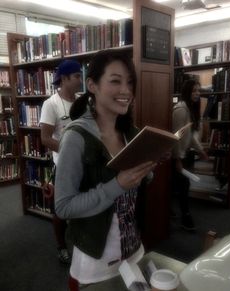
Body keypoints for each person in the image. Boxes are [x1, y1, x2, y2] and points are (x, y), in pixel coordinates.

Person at [54, 49, 157, 291]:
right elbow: (63, 206)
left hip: (134, 248)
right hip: (96, 259)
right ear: (92, 85)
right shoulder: (76, 137)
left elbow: (139, 185)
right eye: (115, 81)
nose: (126, 91)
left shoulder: (130, 132)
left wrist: (147, 170)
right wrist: (117, 185)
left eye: (129, 82)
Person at [40, 59, 82, 264]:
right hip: (63, 165)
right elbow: (45, 138)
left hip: (84, 164)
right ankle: (61, 246)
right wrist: (68, 152)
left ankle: (81, 243)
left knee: (83, 205)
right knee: (60, 210)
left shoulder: (82, 102)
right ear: (64, 79)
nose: (80, 80)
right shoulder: (51, 104)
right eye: (76, 76)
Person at [172, 79, 208, 231]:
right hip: (176, 155)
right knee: (183, 186)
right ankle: (186, 217)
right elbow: (176, 136)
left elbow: (190, 135)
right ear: (187, 92)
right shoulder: (181, 109)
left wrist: (200, 150)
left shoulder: (190, 109)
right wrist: (178, 159)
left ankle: (178, 213)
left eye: (199, 91)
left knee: (180, 186)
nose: (197, 94)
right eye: (194, 91)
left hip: (184, 153)